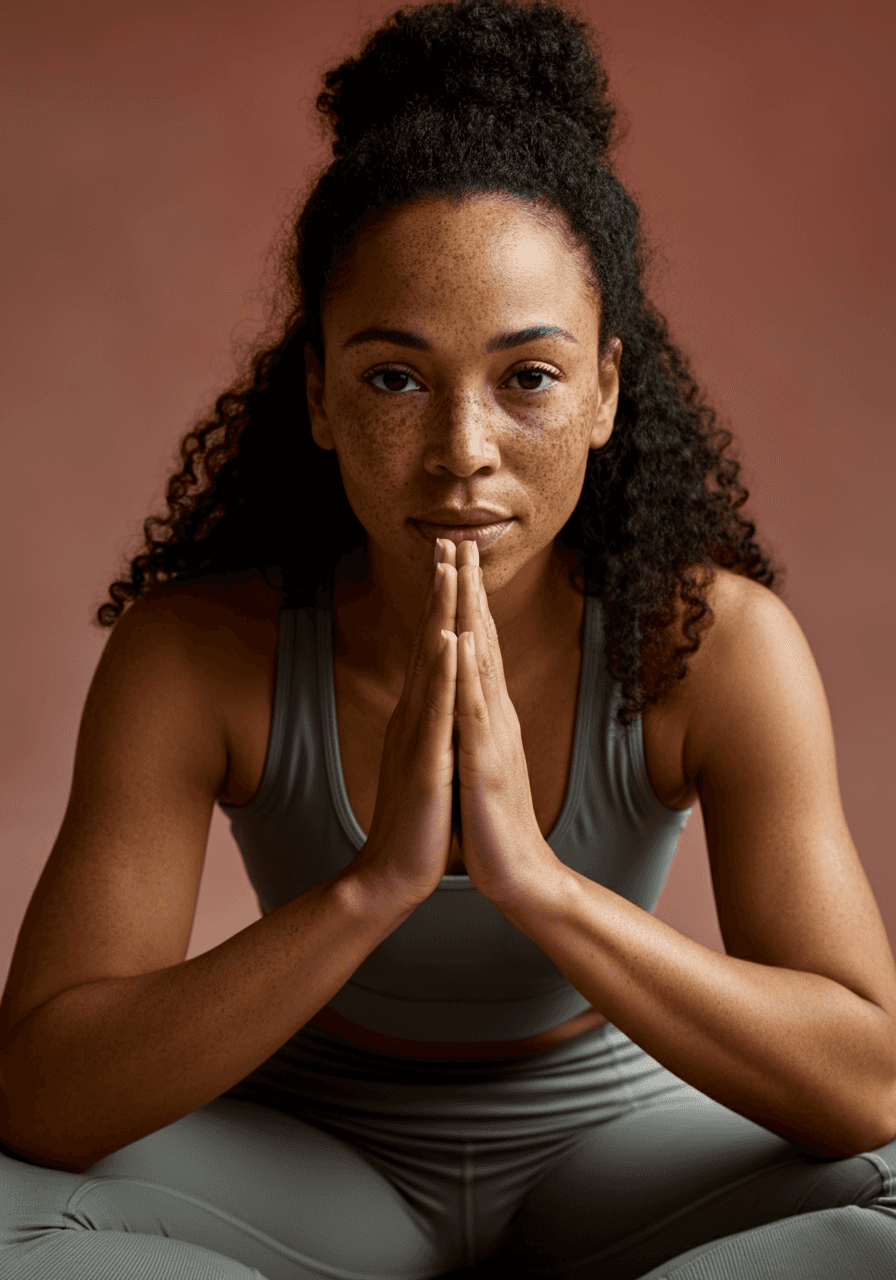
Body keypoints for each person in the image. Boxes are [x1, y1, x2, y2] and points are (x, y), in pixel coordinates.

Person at [1, 0, 895, 1275]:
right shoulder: (196, 652)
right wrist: (373, 885)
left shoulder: (710, 645)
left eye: (526, 376)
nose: (460, 448)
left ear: (603, 393)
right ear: (316, 391)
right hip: (304, 1155)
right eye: (392, 376)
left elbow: (867, 1085)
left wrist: (535, 881)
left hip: (620, 1151)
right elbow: (44, 1092)